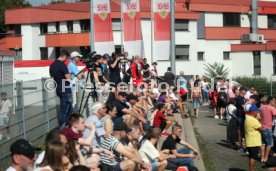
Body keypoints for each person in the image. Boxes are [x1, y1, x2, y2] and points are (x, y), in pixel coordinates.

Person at [49, 50, 73, 127]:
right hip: (65, 87)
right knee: (64, 111)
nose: (66, 60)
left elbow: (51, 75)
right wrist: (70, 75)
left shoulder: (52, 65)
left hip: (59, 88)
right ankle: (62, 129)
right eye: (66, 58)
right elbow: (68, 78)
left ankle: (70, 127)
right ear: (64, 56)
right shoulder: (62, 65)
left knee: (70, 110)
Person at [244, 105, 264, 171]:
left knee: (251, 157)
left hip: (250, 141)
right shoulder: (253, 120)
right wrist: (260, 119)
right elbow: (262, 129)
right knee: (253, 157)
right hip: (253, 142)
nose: (258, 113)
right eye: (257, 111)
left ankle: (251, 169)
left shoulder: (247, 118)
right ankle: (252, 170)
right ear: (254, 112)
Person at [260, 96, 276, 163]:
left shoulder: (262, 107)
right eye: (274, 101)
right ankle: (266, 158)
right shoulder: (272, 108)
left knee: (263, 143)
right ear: (271, 101)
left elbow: (259, 116)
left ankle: (262, 157)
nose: (275, 102)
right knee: (269, 144)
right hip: (268, 128)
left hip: (262, 127)